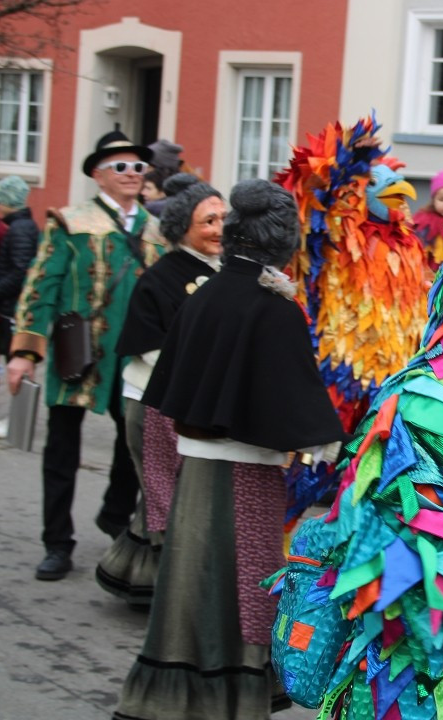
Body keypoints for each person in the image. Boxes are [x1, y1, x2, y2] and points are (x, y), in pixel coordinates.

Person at [113, 179, 344, 720]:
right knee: (245, 588)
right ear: (283, 243)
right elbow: (288, 396)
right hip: (246, 472)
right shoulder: (271, 306)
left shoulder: (209, 290)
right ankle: (228, 701)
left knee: (190, 583)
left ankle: (171, 696)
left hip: (197, 463)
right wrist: (333, 445)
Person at [7, 130, 165, 582]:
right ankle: (57, 542)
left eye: (138, 166)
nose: (133, 174)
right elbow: (41, 288)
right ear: (99, 175)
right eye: (121, 166)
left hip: (135, 358)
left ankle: (114, 513)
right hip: (76, 353)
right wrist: (24, 352)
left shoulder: (156, 231)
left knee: (133, 443)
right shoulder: (70, 222)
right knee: (61, 449)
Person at [95, 181, 225, 608]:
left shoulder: (222, 271)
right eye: (208, 221)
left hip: (191, 402)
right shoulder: (161, 276)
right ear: (181, 226)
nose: (219, 228)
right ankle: (163, 592)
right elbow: (148, 346)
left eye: (223, 218)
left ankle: (134, 575)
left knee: (170, 496)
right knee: (165, 496)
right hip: (154, 401)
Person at [0, 176, 39, 438]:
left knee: (17, 362)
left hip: (12, 308)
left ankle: (16, 420)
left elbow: (20, 270)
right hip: (10, 306)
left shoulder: (20, 228)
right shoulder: (20, 225)